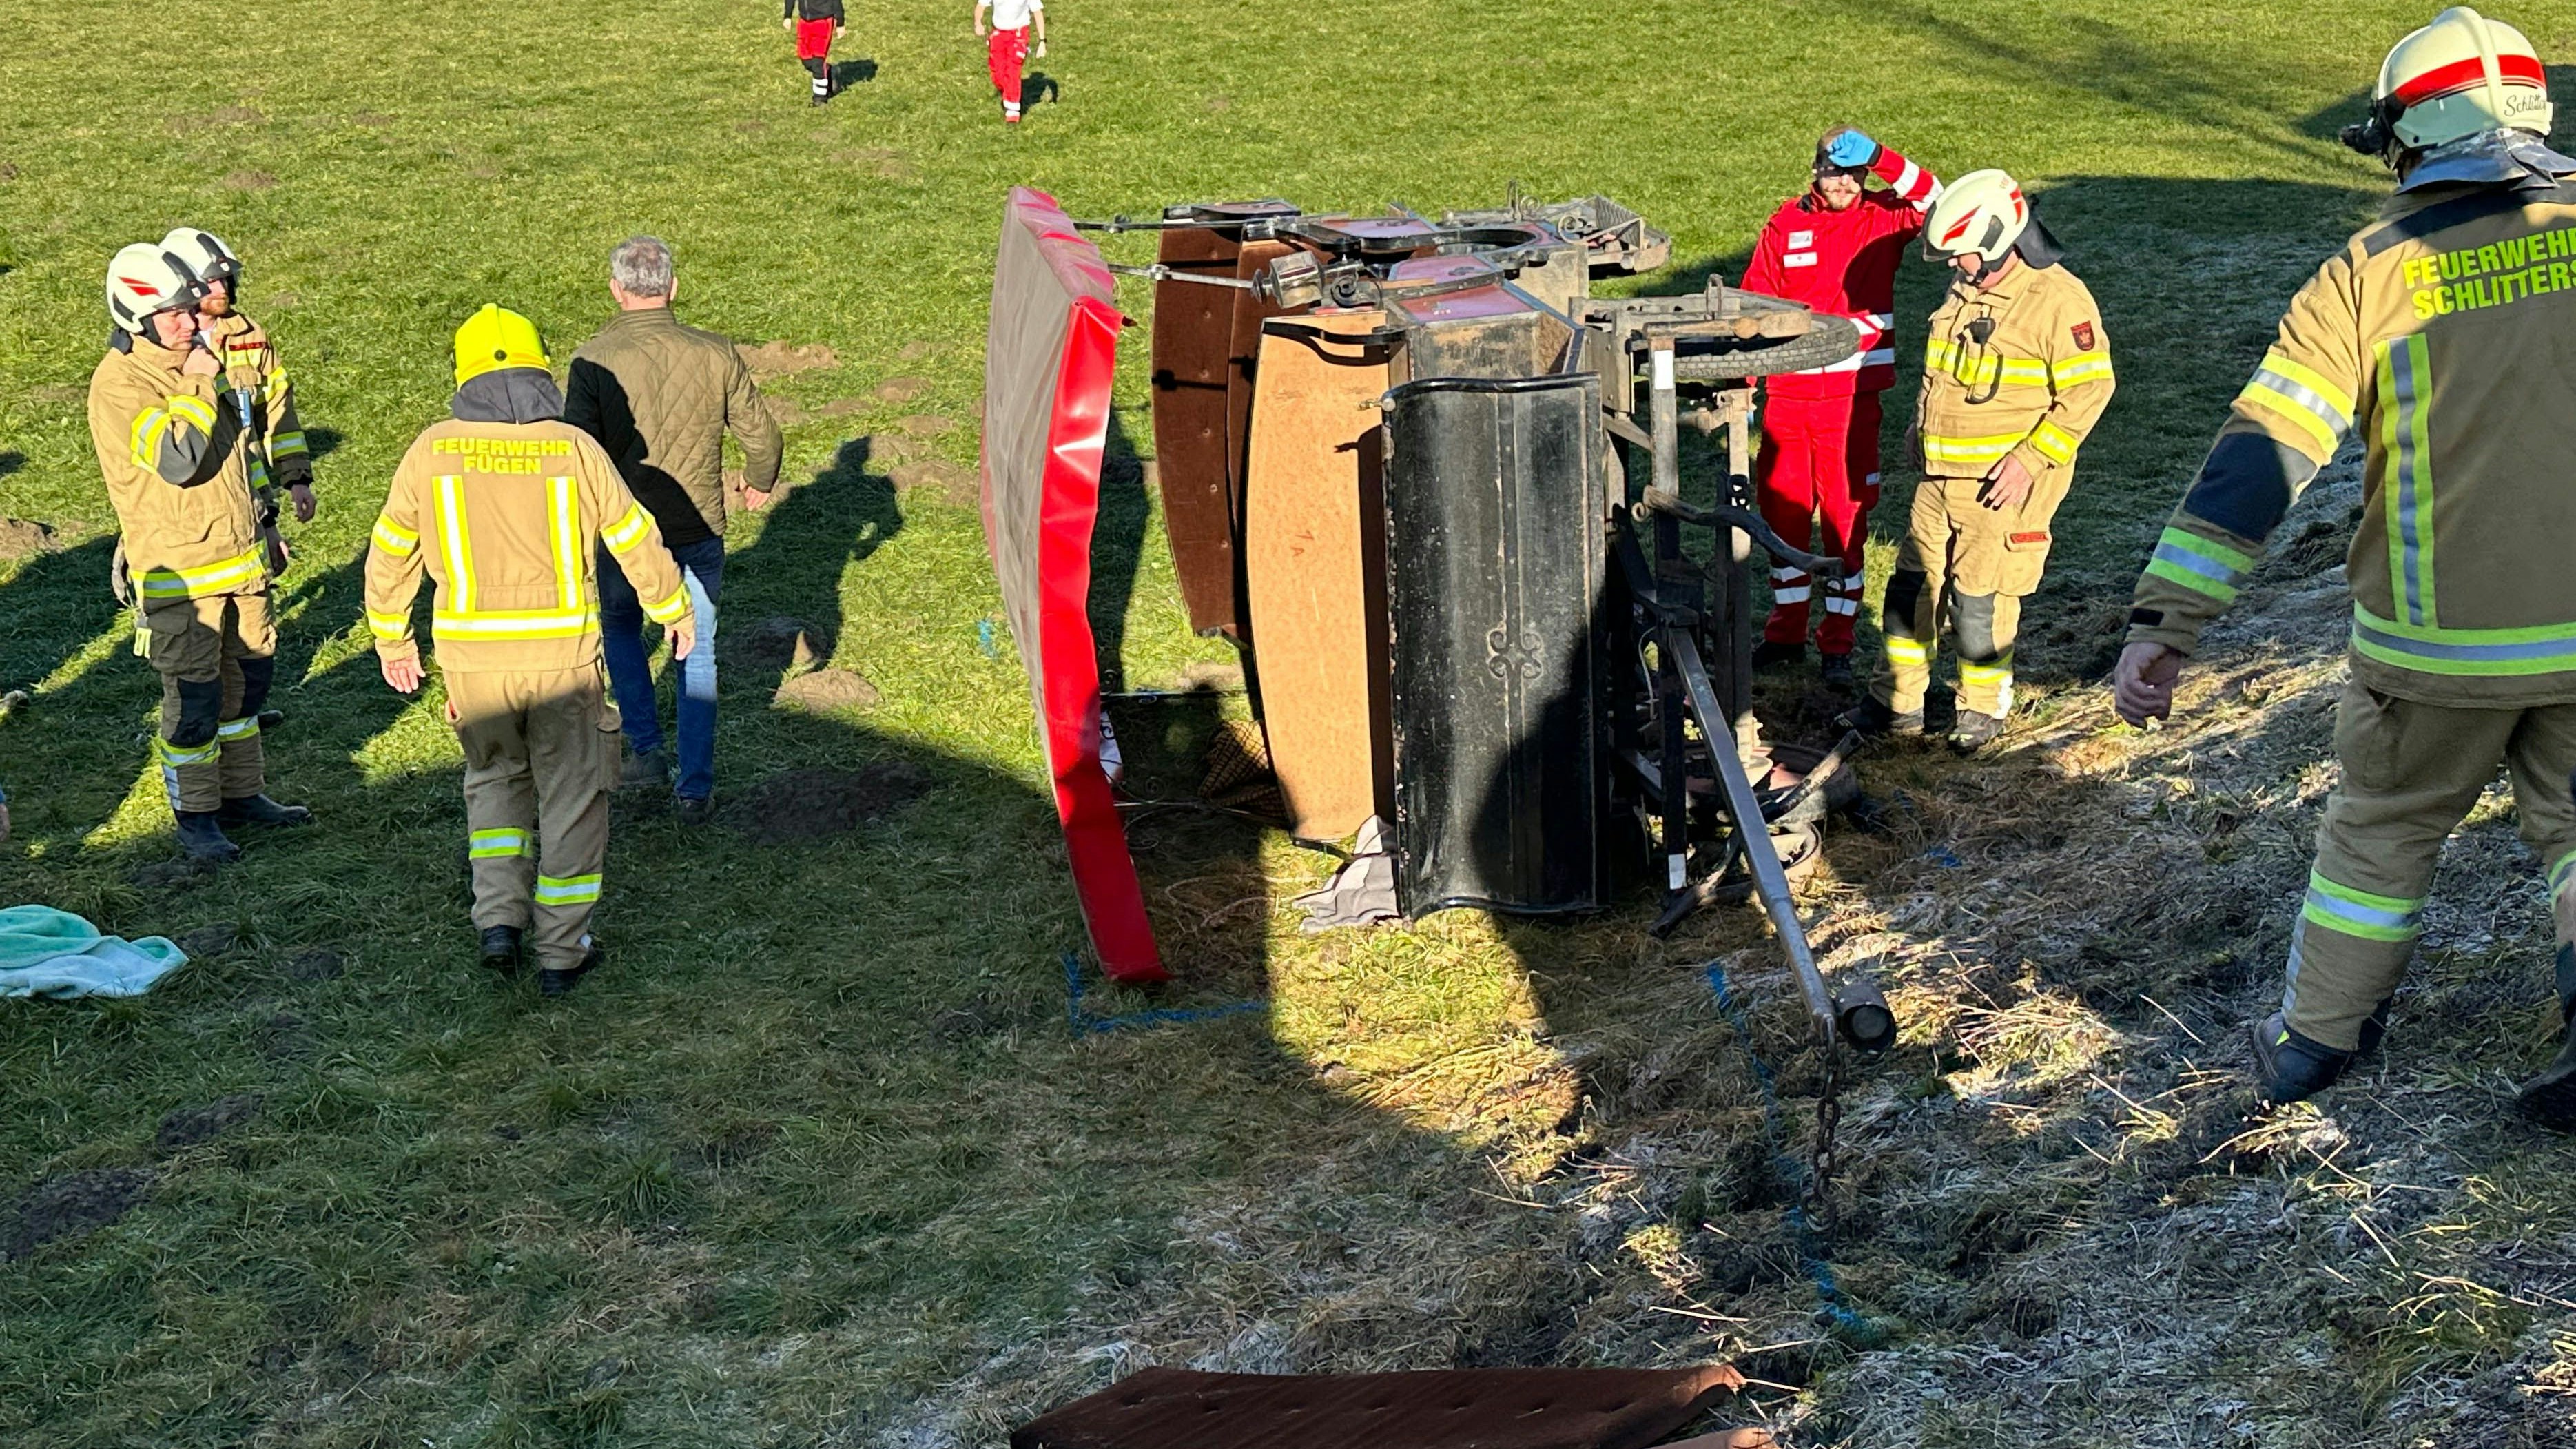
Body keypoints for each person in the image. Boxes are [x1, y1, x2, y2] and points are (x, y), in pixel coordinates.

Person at [2112, 6, 2576, 1125]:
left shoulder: (2364, 275)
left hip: (2430, 652)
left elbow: (2257, 462)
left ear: (2407, 137)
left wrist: (2162, 622)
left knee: (2377, 834)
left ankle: (2312, 1047)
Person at [367, 305, 696, 995]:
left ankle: (498, 923)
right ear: (539, 368)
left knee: (492, 784)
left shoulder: (432, 449)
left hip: (470, 663)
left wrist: (391, 636)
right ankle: (561, 952)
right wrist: (673, 607)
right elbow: (632, 534)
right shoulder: (572, 448)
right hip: (563, 663)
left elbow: (393, 548)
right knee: (574, 798)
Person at [1845, 169, 2115, 752]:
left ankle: (1980, 709)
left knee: (1980, 598)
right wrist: (1922, 426)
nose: (1951, 265)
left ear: (1995, 243)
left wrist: (2027, 461)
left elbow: (2089, 392)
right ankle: (1896, 702)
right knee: (1908, 590)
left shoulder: (2057, 301)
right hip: (1937, 480)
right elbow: (1946, 371)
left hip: (1999, 487)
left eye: (1959, 254)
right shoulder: (1967, 292)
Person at [87, 241, 313, 862]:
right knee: (195, 703)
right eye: (177, 315)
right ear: (137, 320)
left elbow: (241, 452)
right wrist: (196, 381)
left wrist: (266, 522)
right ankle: (196, 818)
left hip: (242, 561)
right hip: (183, 578)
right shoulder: (120, 385)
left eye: (191, 309)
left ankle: (242, 794)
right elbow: (179, 460)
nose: (194, 322)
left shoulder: (200, 355)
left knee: (248, 687)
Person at [563, 236, 783, 825]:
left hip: (621, 532)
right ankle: (694, 788)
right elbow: (762, 435)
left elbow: (574, 452)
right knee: (698, 648)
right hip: (698, 523)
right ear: (673, 286)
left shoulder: (591, 360)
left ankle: (644, 749)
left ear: (615, 288)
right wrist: (759, 480)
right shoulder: (716, 353)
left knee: (620, 625)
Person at [1742, 127, 1943, 690]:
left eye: (1855, 174)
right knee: (1782, 517)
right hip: (1786, 397)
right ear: (1813, 173)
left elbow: (1937, 201)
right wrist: (1744, 380)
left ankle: (1837, 641)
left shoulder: (1883, 215)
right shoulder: (1785, 223)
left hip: (1853, 403)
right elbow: (1755, 297)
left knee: (1844, 520)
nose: (1845, 185)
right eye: (1835, 173)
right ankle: (1785, 634)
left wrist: (1883, 157)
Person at [158, 229, 316, 556]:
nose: (223, 290)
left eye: (226, 280)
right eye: (210, 282)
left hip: (250, 487)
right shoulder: (164, 349)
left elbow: (276, 411)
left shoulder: (251, 336)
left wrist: (296, 479)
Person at [975, 0, 1044, 124]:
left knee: (1013, 69)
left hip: (1019, 33)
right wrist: (978, 23)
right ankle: (1008, 90)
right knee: (998, 73)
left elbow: (1038, 13)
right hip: (999, 34)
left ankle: (1013, 111)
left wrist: (1042, 41)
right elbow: (981, 6)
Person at [783, 0, 845, 105]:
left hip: (823, 22)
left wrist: (840, 23)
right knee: (806, 60)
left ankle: (820, 98)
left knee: (818, 61)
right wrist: (787, 16)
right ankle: (828, 72)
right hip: (804, 22)